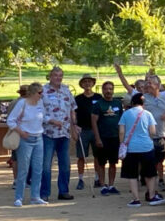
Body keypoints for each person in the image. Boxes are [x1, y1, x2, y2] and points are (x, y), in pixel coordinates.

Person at [114, 63, 165, 192]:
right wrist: (120, 73)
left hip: (160, 135)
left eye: (150, 83)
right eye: (147, 83)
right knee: (145, 162)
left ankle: (160, 180)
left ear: (158, 85)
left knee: (159, 161)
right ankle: (143, 183)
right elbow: (128, 87)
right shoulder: (141, 97)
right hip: (145, 137)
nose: (147, 85)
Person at [118, 93, 165, 207]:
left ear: (132, 103)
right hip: (146, 147)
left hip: (130, 148)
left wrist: (122, 143)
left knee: (132, 175)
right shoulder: (148, 114)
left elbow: (121, 132)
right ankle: (151, 196)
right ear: (143, 103)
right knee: (150, 173)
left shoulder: (126, 114)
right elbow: (153, 132)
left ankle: (136, 199)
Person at [38, 66, 78, 201]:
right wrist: (51, 120)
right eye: (55, 75)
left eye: (60, 75)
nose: (58, 78)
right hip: (48, 133)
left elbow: (73, 109)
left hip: (64, 133)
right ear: (50, 76)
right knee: (46, 166)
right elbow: (37, 112)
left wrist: (74, 125)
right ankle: (44, 193)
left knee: (65, 164)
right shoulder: (42, 92)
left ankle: (64, 191)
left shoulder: (66, 90)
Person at [9, 83, 49, 207]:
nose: (41, 95)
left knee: (38, 169)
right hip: (25, 139)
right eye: (39, 93)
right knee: (23, 169)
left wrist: (54, 120)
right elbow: (10, 120)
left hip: (38, 138)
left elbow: (43, 118)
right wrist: (21, 132)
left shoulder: (40, 104)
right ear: (32, 93)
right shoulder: (23, 103)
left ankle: (35, 196)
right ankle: (18, 197)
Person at [92, 81, 124, 196]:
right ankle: (102, 185)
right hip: (103, 137)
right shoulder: (98, 104)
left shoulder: (118, 103)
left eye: (110, 89)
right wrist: (97, 138)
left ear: (113, 90)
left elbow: (122, 121)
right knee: (101, 163)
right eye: (106, 89)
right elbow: (94, 122)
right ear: (102, 90)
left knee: (113, 163)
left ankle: (111, 185)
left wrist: (122, 138)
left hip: (115, 137)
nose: (108, 91)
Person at [75, 74, 101, 190]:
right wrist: (75, 126)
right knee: (81, 156)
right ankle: (80, 179)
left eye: (89, 81)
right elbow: (74, 114)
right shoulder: (78, 99)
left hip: (96, 130)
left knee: (97, 156)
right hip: (83, 130)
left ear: (93, 83)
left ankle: (97, 178)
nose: (87, 84)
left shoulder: (98, 97)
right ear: (81, 84)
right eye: (84, 82)